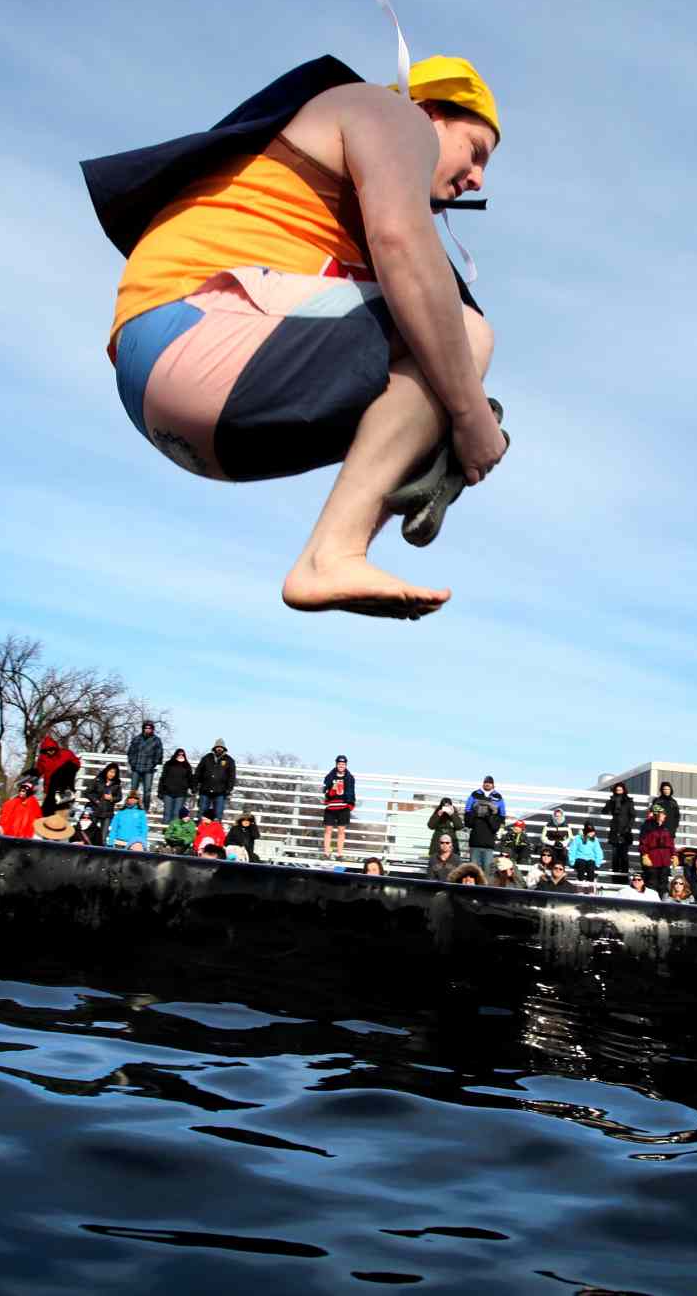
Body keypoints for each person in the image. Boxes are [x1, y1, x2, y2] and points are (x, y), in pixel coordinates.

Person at [85, 52, 508, 620]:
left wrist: (444, 423)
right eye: (475, 150)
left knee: (440, 360)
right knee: (458, 331)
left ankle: (335, 551)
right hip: (193, 331)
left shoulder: (346, 199)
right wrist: (470, 417)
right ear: (430, 111)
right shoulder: (387, 111)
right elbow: (404, 247)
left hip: (195, 419)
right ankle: (332, 551)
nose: (479, 177)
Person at [464, 776, 505, 871]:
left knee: (488, 871)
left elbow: (502, 814)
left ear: (493, 784)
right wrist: (475, 812)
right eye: (486, 782)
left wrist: (490, 816)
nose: (487, 784)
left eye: (490, 782)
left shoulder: (498, 797)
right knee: (473, 870)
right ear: (483, 783)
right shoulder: (475, 794)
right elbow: (467, 811)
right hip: (475, 840)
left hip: (489, 842)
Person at [322, 755, 357, 857]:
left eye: (343, 764)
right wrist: (332, 790)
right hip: (331, 807)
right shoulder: (329, 777)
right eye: (339, 764)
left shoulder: (350, 778)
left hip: (343, 807)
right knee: (328, 830)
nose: (341, 766)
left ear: (345, 765)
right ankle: (326, 853)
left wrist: (350, 805)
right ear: (336, 764)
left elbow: (352, 793)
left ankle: (339, 854)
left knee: (341, 831)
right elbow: (326, 792)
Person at [36, 736, 81, 813]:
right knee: (47, 812)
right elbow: (39, 771)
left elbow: (76, 763)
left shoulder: (66, 754)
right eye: (47, 750)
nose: (49, 752)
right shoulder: (42, 759)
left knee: (61, 813)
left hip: (63, 789)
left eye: (51, 749)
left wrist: (70, 767)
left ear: (55, 747)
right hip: (49, 790)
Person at [195, 738, 236, 822]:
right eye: (218, 747)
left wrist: (229, 789)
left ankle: (216, 833)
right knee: (202, 812)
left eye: (221, 747)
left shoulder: (229, 760)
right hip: (205, 790)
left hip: (220, 792)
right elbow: (198, 772)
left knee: (218, 814)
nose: (219, 748)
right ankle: (200, 832)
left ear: (224, 748)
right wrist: (195, 785)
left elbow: (232, 776)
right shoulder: (207, 758)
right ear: (214, 748)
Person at [126, 721, 164, 813]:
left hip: (149, 770)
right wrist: (132, 763)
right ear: (143, 729)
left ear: (152, 729)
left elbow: (159, 754)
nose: (147, 730)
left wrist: (153, 764)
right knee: (133, 790)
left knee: (147, 791)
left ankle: (145, 809)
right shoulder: (137, 739)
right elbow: (130, 752)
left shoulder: (156, 740)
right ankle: (131, 807)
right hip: (136, 768)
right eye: (146, 728)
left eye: (149, 728)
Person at [601, 782, 635, 877]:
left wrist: (628, 828)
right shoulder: (612, 800)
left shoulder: (628, 801)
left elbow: (633, 815)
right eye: (617, 790)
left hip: (625, 832)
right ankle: (615, 878)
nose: (619, 792)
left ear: (624, 790)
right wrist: (611, 802)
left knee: (624, 856)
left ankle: (624, 879)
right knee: (615, 856)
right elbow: (604, 811)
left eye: (620, 790)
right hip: (615, 831)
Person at [639, 811, 676, 895]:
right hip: (653, 859)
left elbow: (671, 843)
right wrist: (645, 855)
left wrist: (674, 855)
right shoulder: (647, 827)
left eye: (664, 814)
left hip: (665, 860)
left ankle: (662, 904)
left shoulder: (667, 827)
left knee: (664, 883)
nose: (664, 816)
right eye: (663, 814)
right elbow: (643, 843)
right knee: (652, 883)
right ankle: (651, 903)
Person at [157, 747, 195, 824]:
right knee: (167, 813)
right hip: (168, 792)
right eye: (179, 754)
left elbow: (190, 779)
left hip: (181, 794)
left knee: (176, 814)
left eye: (182, 754)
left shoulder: (187, 766)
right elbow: (163, 778)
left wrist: (193, 788)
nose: (180, 756)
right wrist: (160, 791)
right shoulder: (168, 764)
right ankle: (166, 831)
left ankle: (174, 832)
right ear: (175, 755)